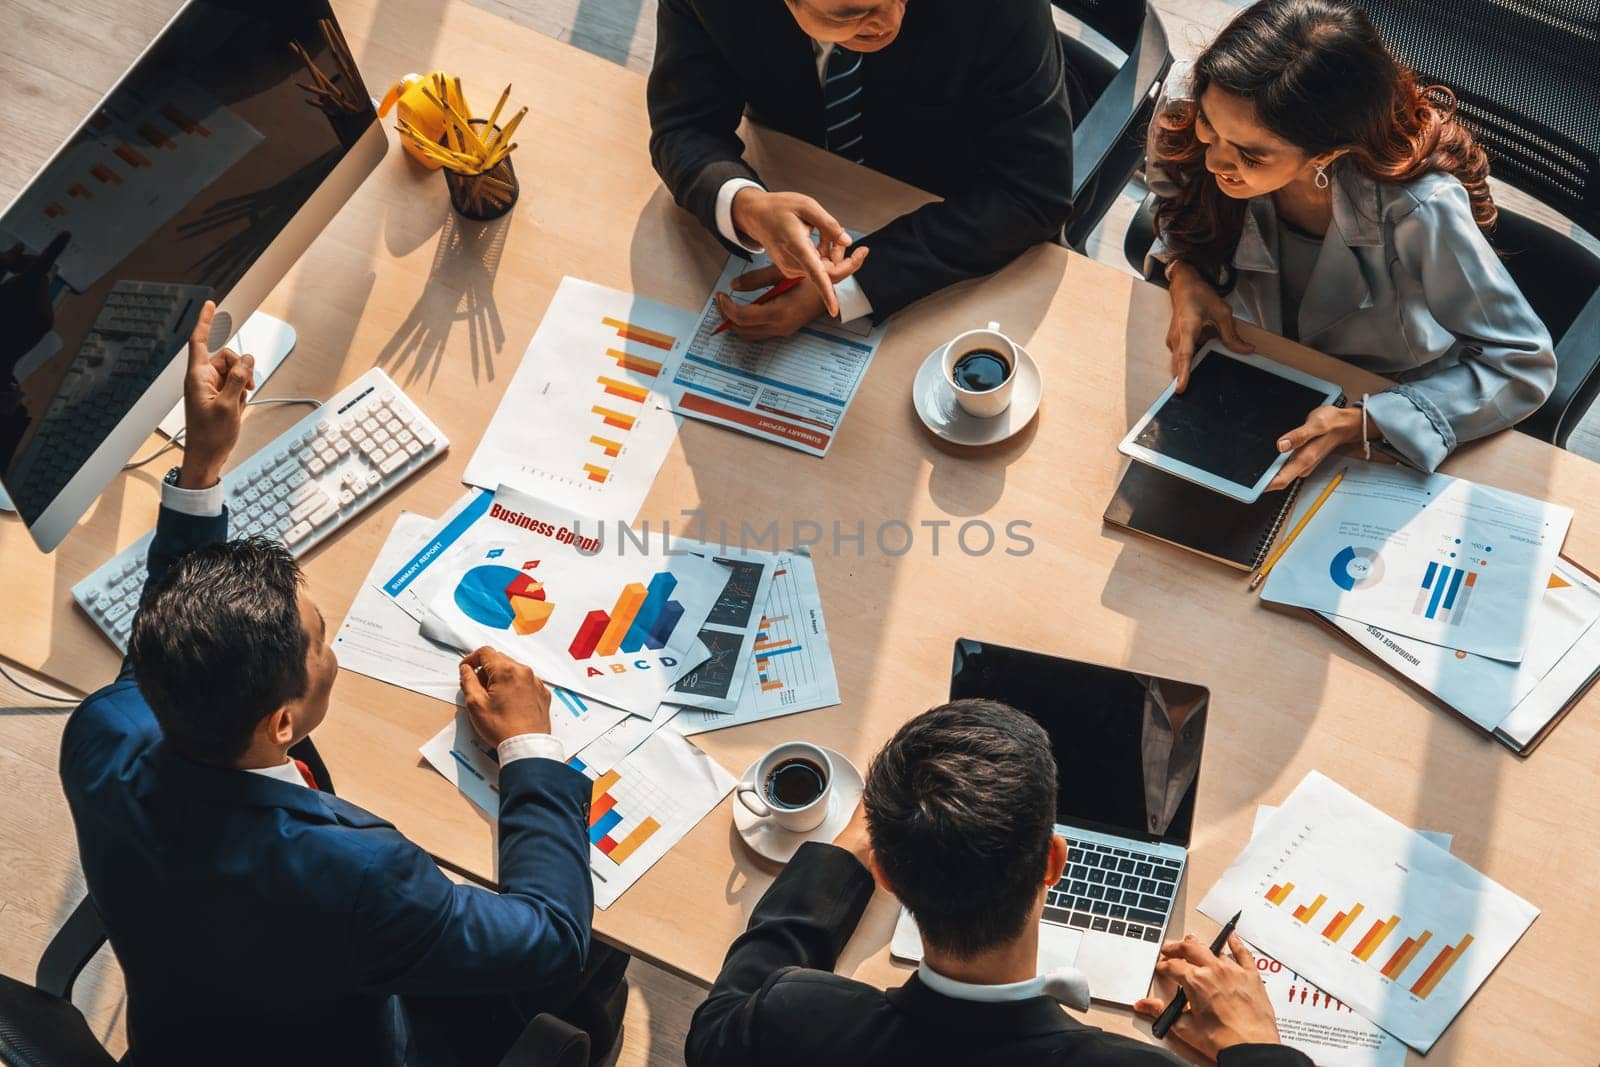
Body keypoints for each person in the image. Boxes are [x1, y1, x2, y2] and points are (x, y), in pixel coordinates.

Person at [59, 302, 624, 1066]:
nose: (331, 648)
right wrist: (530, 743)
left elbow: (157, 639)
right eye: (321, 642)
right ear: (282, 723)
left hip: (187, 1032)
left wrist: (203, 466)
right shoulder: (359, 875)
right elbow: (550, 939)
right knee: (594, 958)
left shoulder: (101, 735)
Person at [685, 700, 1312, 1067]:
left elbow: (713, 1035)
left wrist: (839, 858)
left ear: (884, 872)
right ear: (1052, 863)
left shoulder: (797, 1018)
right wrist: (1256, 1045)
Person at [1145, 0, 1555, 482]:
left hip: (1382, 397)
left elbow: (1523, 363)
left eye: (1251, 157)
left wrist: (1371, 421)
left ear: (1328, 152)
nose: (1215, 161)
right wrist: (1183, 271)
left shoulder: (1419, 208)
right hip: (1255, 370)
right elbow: (1173, 206)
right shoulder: (1198, 102)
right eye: (1210, 129)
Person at [648, 0, 1077, 340]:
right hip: (796, 170)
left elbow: (1033, 191)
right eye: (853, 13)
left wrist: (854, 283)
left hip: (958, 227)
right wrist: (745, 205)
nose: (891, 20)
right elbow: (684, 124)